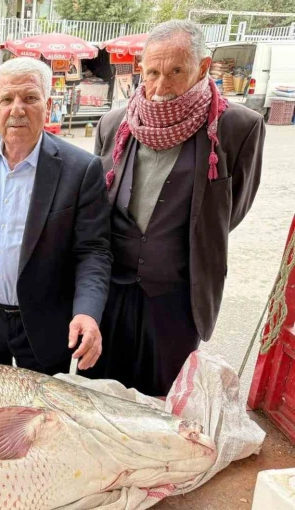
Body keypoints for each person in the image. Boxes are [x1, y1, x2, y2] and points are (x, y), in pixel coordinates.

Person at [83, 20, 265, 396]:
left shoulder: (238, 128)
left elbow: (231, 211)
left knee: (164, 402)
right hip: (111, 296)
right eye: (152, 72)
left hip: (177, 300)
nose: (161, 86)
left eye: (176, 71)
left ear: (203, 67)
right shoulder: (113, 124)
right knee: (99, 397)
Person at [0, 57, 112, 375]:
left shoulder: (80, 169)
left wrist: (87, 312)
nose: (17, 109)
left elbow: (93, 251)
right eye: (7, 99)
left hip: (45, 323)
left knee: (40, 405)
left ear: (48, 106)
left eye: (30, 98)